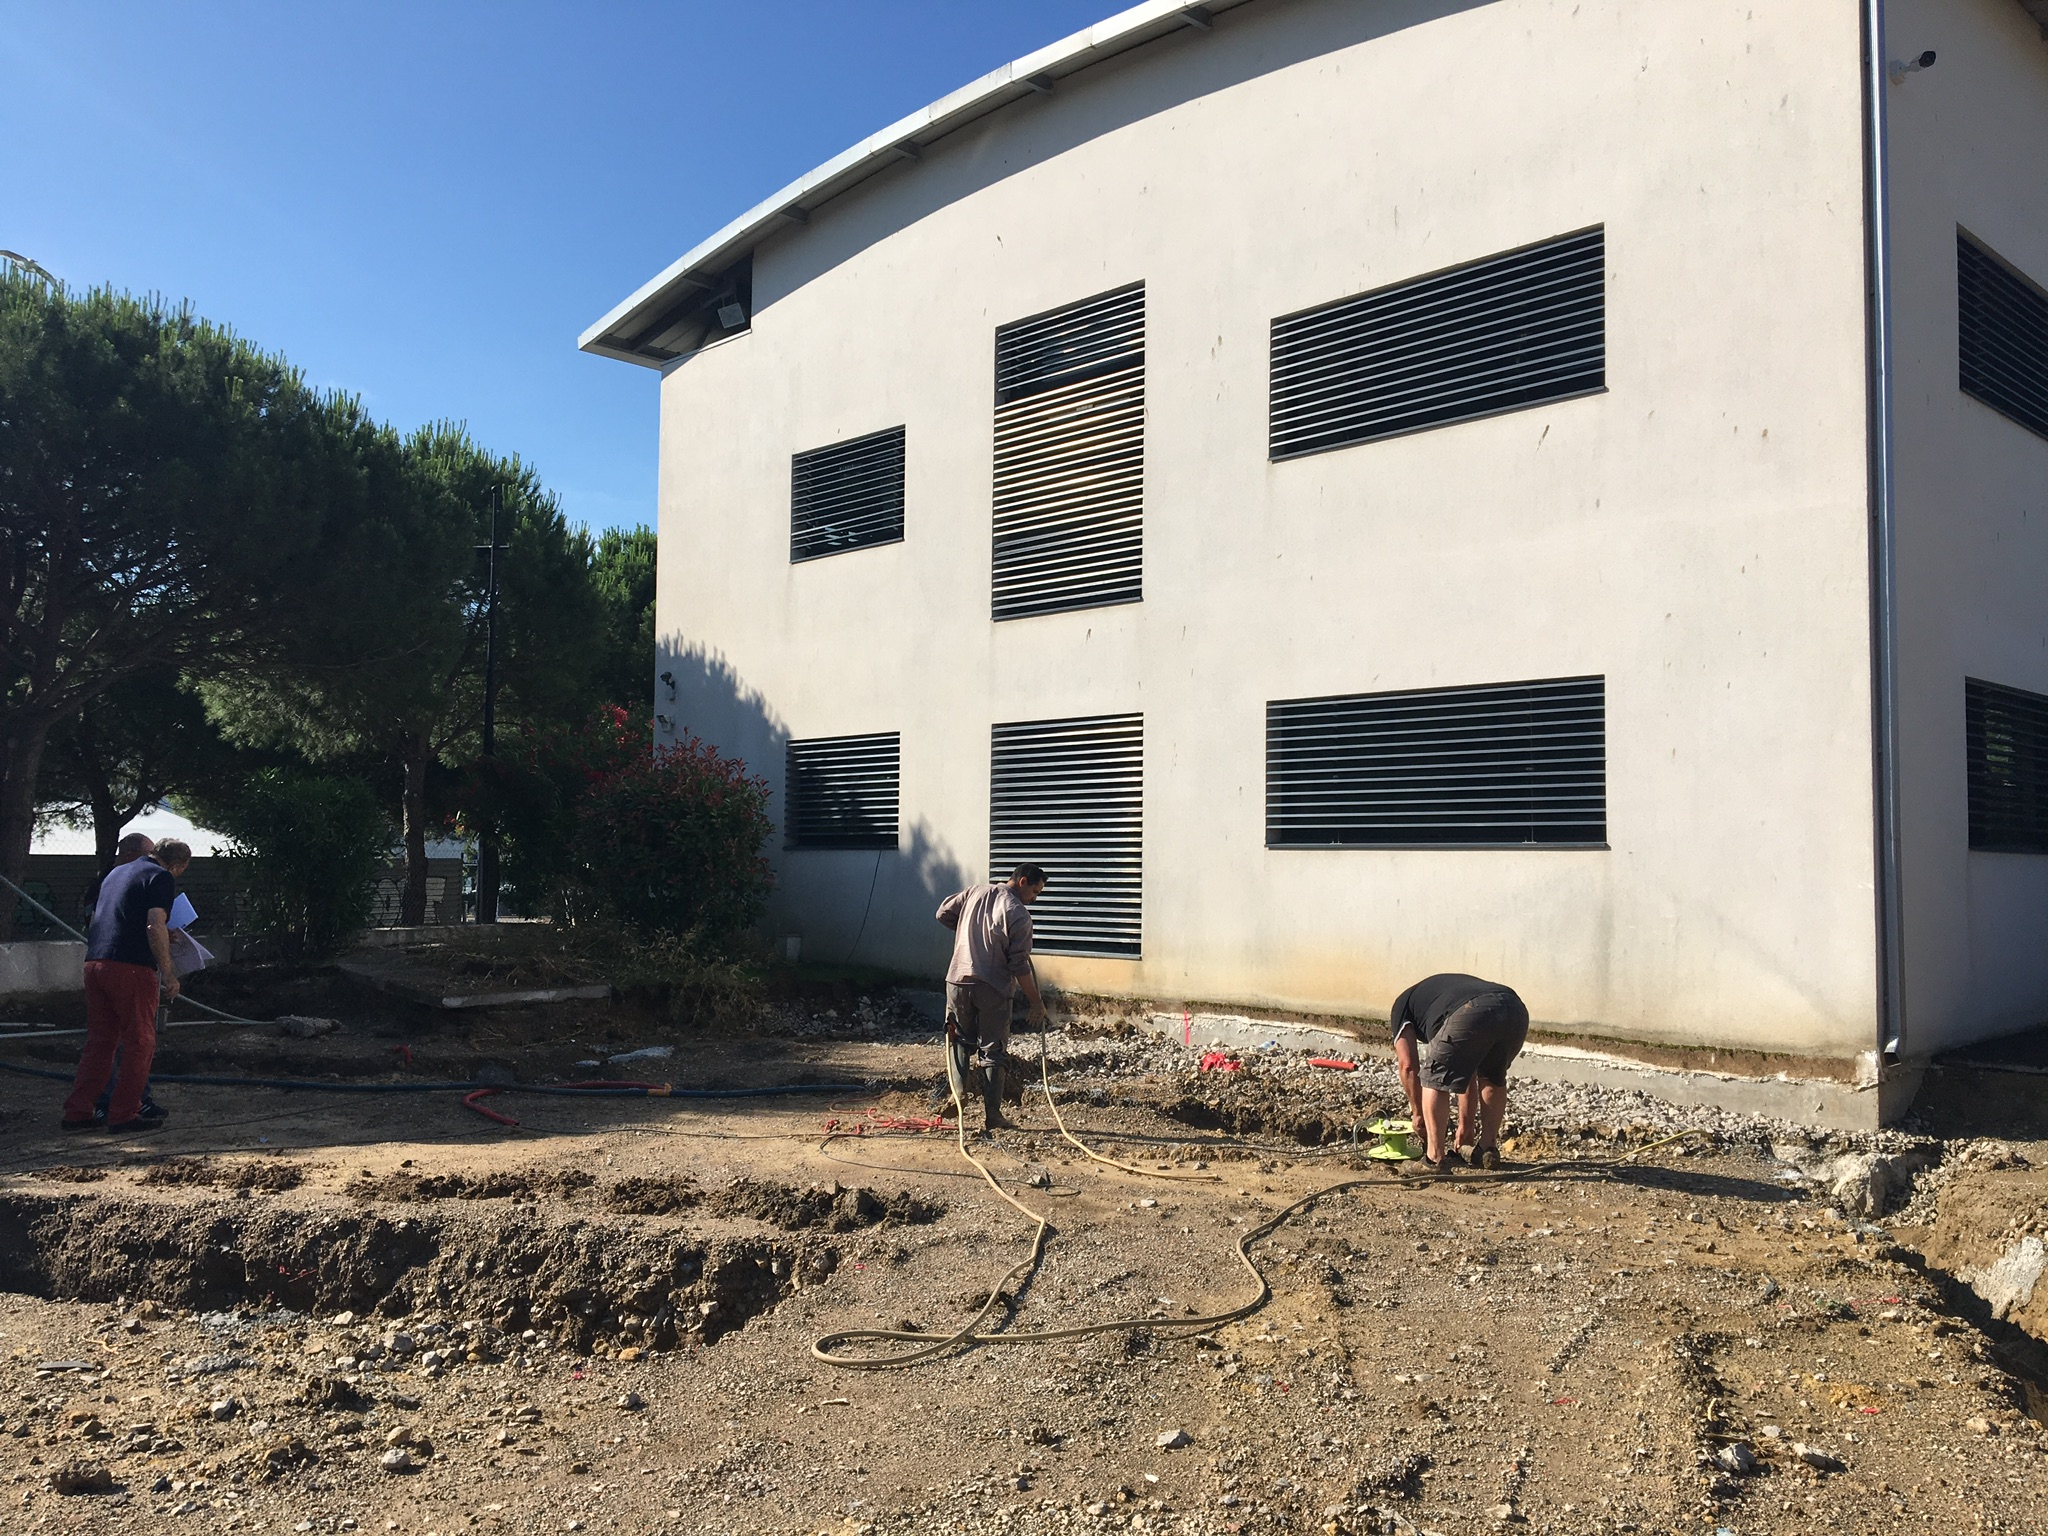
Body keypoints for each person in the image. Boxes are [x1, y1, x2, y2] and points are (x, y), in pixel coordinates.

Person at [62, 838, 191, 1133]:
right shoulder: (161, 877)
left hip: (96, 962)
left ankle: (78, 1112)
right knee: (140, 1041)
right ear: (177, 865)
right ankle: (124, 1114)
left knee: (101, 1041)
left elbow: (120, 917)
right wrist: (169, 973)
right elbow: (154, 923)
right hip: (131, 968)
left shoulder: (117, 873)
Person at [935, 864, 1050, 1132]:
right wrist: (1036, 1002)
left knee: (958, 1039)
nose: (1035, 899)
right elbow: (1019, 965)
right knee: (993, 1050)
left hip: (957, 980)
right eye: (1035, 892)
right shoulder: (1019, 914)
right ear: (1022, 881)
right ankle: (993, 1116)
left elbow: (942, 913)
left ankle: (958, 1093)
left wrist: (968, 932)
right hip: (993, 987)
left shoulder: (974, 892)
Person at [1389, 973, 1529, 1174]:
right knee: (1492, 1076)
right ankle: (1487, 1149)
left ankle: (1434, 1159)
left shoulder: (1401, 1007)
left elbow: (1408, 1066)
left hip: (1471, 1010)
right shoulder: (1437, 998)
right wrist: (1465, 1128)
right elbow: (1465, 1069)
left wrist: (1418, 1115)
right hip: (1514, 1008)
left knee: (1434, 1077)